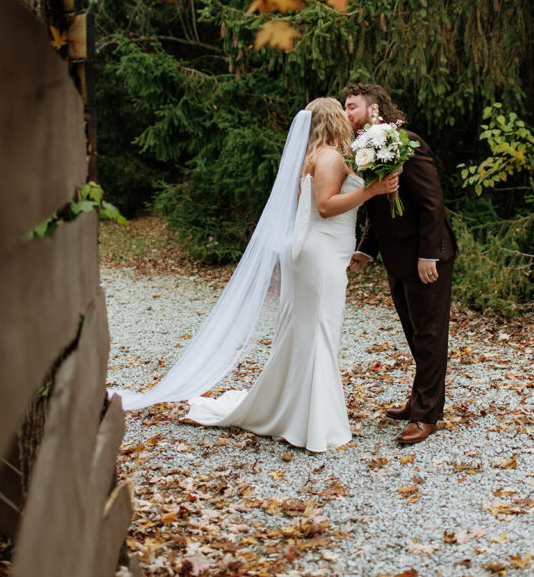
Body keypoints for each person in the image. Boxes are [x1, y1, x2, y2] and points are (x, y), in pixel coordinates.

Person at [112, 97, 397, 454]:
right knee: (320, 329)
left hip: (321, 252)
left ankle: (296, 412)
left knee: (309, 331)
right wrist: (372, 190)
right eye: (342, 113)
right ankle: (314, 424)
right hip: (321, 254)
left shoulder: (317, 156)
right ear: (333, 120)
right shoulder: (328, 157)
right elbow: (324, 207)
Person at [343, 83, 456, 446]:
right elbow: (377, 208)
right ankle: (418, 401)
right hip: (396, 258)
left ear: (374, 109)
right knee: (414, 333)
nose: (346, 114)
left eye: (352, 107)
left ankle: (427, 415)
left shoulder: (407, 143)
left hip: (425, 258)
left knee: (430, 334)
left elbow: (431, 203)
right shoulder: (365, 149)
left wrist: (429, 255)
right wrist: (366, 249)